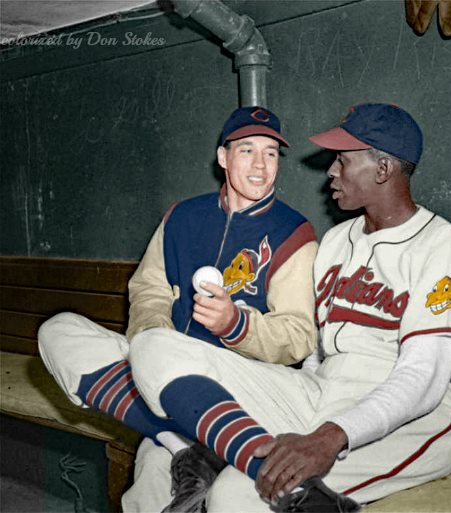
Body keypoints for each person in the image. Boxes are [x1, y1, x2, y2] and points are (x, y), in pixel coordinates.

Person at [98, 102, 451, 513]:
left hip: (417, 415)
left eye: (343, 159)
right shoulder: (337, 241)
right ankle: (199, 449)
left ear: (383, 169)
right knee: (154, 348)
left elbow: (423, 378)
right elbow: (316, 354)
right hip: (326, 395)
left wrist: (330, 436)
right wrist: (305, 420)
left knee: (236, 495)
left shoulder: (441, 244)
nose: (331, 171)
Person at [38, 106, 319, 512]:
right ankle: (178, 442)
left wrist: (236, 324)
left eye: (271, 153)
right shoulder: (183, 216)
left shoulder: (292, 232)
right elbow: (149, 288)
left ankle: (190, 442)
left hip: (235, 389)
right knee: (59, 331)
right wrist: (154, 335)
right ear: (223, 158)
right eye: (247, 151)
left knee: (155, 490)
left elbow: (298, 336)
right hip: (166, 377)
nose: (261, 165)